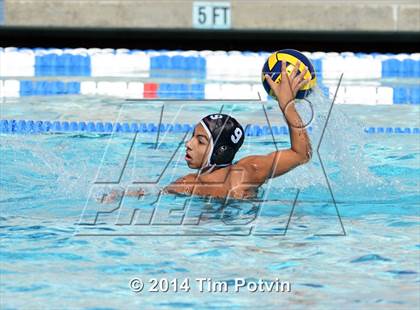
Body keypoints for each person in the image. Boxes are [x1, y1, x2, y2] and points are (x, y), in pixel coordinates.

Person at [102, 60, 312, 202]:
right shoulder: (195, 182)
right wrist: (287, 105)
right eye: (193, 137)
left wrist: (286, 104)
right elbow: (302, 153)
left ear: (219, 149)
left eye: (201, 140)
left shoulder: (235, 174)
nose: (189, 144)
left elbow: (302, 154)